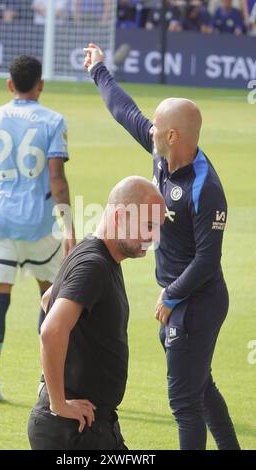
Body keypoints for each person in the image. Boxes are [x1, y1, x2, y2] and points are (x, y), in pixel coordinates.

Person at [83, 44, 241, 450]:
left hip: (198, 301)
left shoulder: (205, 189)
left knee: (184, 403)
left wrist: (171, 295)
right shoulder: (162, 156)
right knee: (201, 388)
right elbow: (125, 112)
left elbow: (208, 258)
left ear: (172, 135)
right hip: (182, 299)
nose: (148, 129)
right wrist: (99, 70)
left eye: (156, 126)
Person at [28, 176, 165, 450]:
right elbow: (52, 330)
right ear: (119, 216)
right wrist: (57, 402)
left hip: (92, 425)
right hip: (74, 430)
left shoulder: (96, 255)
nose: (154, 237)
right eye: (149, 225)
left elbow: (48, 299)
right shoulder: (94, 265)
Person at [0, 55, 76, 403]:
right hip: (40, 224)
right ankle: (43, 383)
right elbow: (57, 181)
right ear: (41, 84)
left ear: (9, 84)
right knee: (50, 296)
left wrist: (7, 198)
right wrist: (70, 225)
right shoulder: (53, 121)